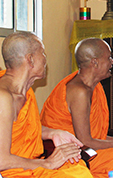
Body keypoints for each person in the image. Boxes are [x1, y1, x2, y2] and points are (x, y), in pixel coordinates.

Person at [40, 38, 113, 178]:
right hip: (71, 156)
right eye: (108, 58)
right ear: (94, 62)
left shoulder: (94, 87)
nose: (112, 62)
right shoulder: (78, 91)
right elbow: (85, 141)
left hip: (87, 149)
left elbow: (97, 136)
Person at [0, 32, 93, 177]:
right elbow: (2, 161)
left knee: (77, 166)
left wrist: (53, 132)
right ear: (30, 59)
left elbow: (20, 128)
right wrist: (47, 163)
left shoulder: (25, 91)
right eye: (42, 53)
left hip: (31, 166)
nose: (45, 59)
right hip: (13, 173)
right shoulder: (3, 97)